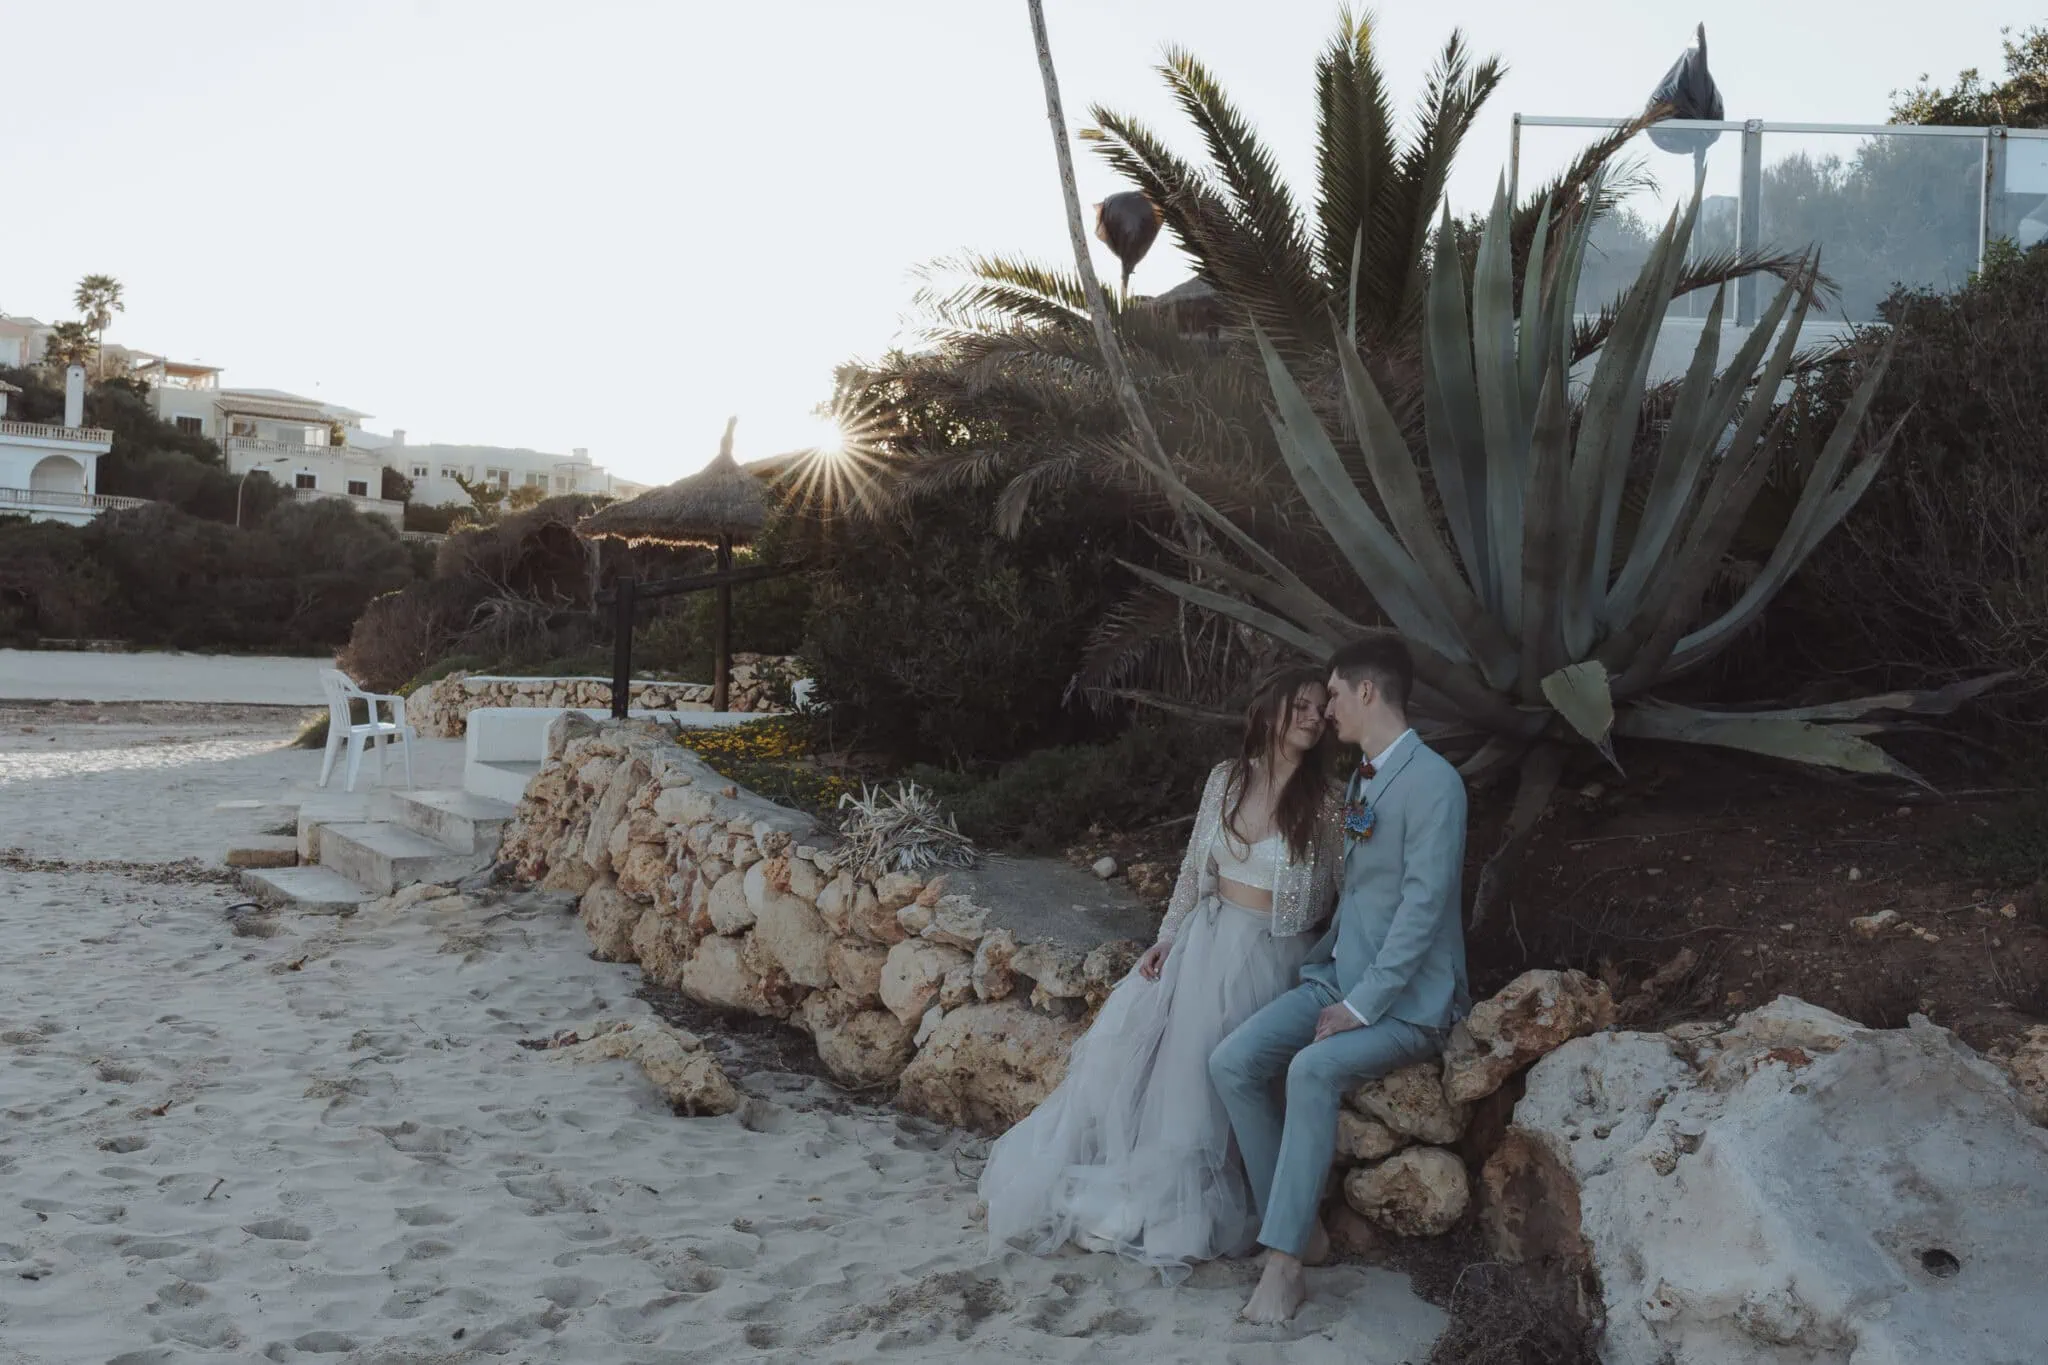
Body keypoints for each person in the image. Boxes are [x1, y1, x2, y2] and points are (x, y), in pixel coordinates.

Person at [979, 667, 1342, 1279]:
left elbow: (1348, 893)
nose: (1312, 717)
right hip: (1207, 943)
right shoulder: (1225, 780)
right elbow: (1190, 870)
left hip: (1276, 955)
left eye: (1318, 709)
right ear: (1270, 711)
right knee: (1187, 1078)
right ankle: (1178, 1201)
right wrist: (1168, 938)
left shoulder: (1328, 803)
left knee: (1241, 1076)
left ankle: (1273, 1208)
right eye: (1299, 706)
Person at [1208, 637, 1470, 1324]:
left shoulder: (1436, 782)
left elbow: (1424, 907)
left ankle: (1284, 1266)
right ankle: (1303, 1228)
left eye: (1333, 695)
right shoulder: (1361, 779)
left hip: (1408, 1003)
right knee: (1233, 1061)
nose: (1326, 710)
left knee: (1310, 1071)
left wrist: (1363, 1003)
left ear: (1367, 693)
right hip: (1336, 978)